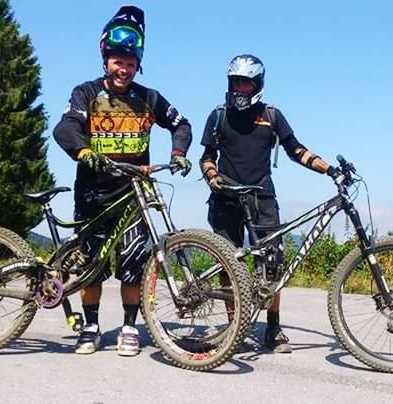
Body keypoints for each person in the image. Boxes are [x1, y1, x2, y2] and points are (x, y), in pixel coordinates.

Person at [53, 5, 192, 356]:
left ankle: (130, 327)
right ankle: (91, 327)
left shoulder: (149, 98)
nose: (124, 69)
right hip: (93, 192)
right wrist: (83, 151)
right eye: (118, 61)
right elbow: (65, 127)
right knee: (90, 266)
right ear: (105, 58)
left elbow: (181, 124)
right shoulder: (86, 93)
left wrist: (177, 153)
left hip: (134, 195)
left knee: (133, 265)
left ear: (138, 64)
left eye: (130, 63)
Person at [198, 54, 340, 353]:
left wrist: (328, 169)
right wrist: (212, 176)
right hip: (226, 197)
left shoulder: (272, 116)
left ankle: (273, 329)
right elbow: (207, 156)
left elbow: (295, 149)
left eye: (245, 82)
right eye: (236, 81)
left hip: (262, 197)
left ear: (257, 84)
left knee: (272, 264)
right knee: (228, 263)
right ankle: (233, 328)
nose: (240, 87)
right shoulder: (218, 115)